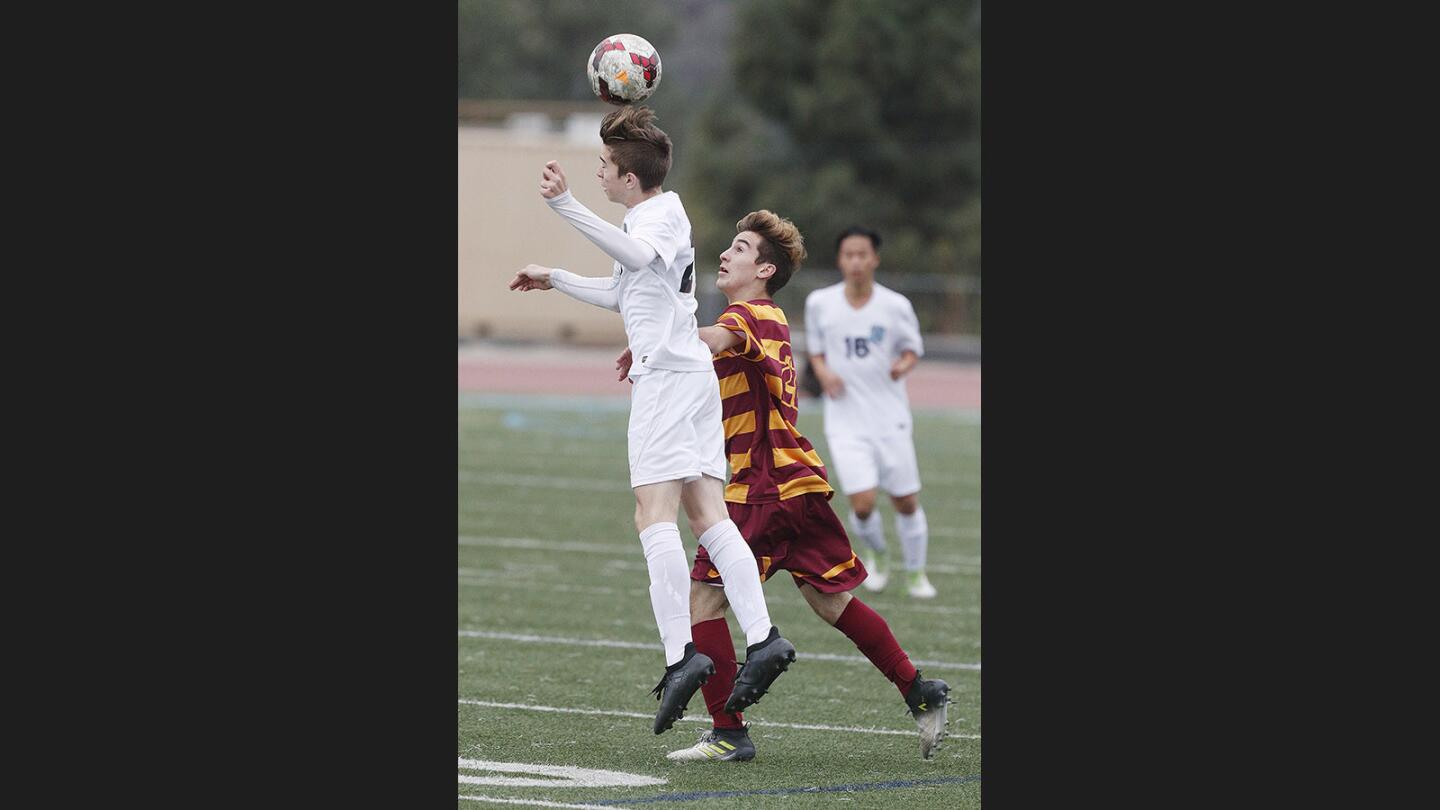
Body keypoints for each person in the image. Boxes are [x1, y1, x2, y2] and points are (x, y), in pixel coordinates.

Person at [616, 211, 950, 762]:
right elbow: (704, 349)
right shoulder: (760, 317)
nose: (725, 254)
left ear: (764, 269)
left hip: (764, 486)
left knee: (702, 599)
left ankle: (728, 732)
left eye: (740, 248)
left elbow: (712, 337)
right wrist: (662, 353)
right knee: (831, 600)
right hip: (796, 482)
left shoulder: (752, 315)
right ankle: (920, 690)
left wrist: (660, 339)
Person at [507, 107, 796, 736]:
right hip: (682, 377)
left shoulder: (659, 214)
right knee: (705, 515)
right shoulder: (644, 217)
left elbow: (637, 258)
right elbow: (623, 290)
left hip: (668, 381)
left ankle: (679, 657)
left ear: (632, 177)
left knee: (652, 514)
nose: (601, 177)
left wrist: (566, 205)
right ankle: (764, 637)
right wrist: (552, 277)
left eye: (606, 169)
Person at [804, 226, 936, 599]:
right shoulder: (820, 303)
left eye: (863, 254)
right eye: (849, 255)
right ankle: (878, 555)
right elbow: (816, 349)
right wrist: (824, 370)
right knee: (862, 504)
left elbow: (913, 349)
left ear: (874, 259)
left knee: (906, 500)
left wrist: (903, 366)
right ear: (840, 260)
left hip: (889, 418)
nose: (856, 262)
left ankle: (916, 573)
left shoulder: (895, 306)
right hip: (845, 420)